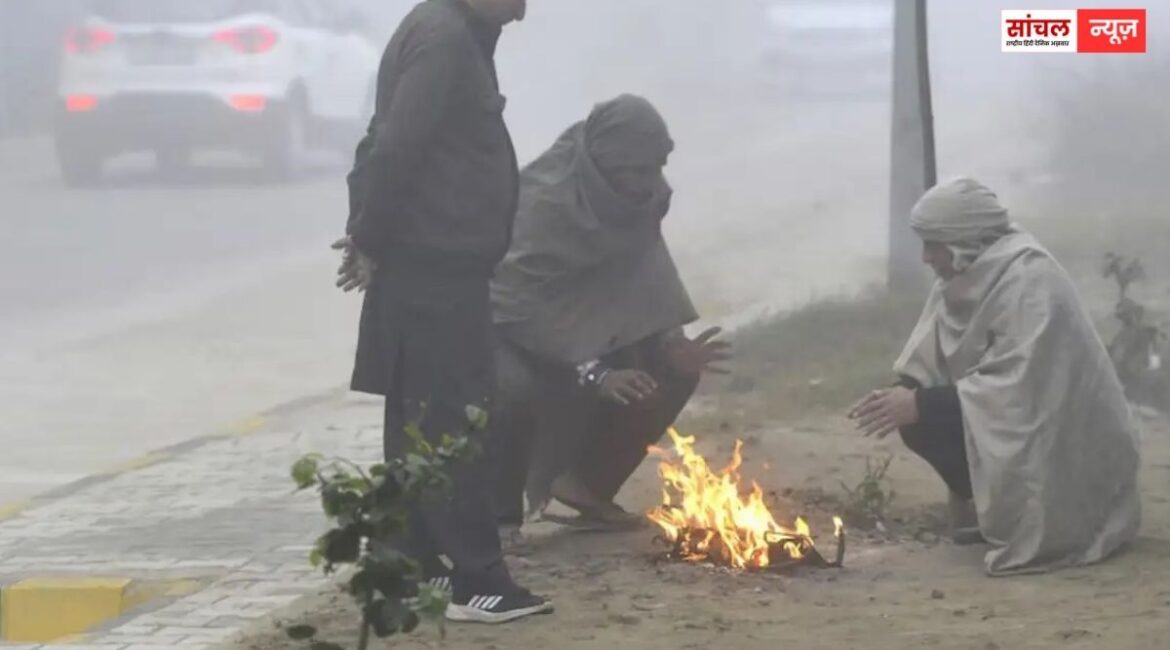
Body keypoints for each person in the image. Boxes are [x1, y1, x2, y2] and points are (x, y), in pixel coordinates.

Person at [332, 0, 553, 624]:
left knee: (421, 422)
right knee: (454, 424)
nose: (524, 6)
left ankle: (413, 568)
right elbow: (396, 144)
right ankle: (478, 582)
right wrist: (370, 239)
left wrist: (370, 236)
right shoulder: (443, 37)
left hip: (434, 266)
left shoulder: (457, 31)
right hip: (431, 268)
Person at [849, 177, 1141, 576]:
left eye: (932, 244)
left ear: (961, 240)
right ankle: (1002, 517)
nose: (925, 258)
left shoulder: (1030, 278)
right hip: (1014, 418)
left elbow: (1021, 390)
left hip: (1066, 443)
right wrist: (904, 392)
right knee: (920, 420)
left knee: (925, 411)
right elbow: (927, 355)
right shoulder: (961, 274)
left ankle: (1043, 523)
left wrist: (920, 404)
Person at [489, 95, 731, 534]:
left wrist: (668, 340)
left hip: (583, 334)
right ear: (600, 163)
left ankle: (585, 485)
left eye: (655, 168)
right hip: (506, 333)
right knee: (516, 392)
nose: (648, 183)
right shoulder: (542, 205)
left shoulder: (640, 199)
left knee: (669, 373)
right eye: (635, 171)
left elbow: (642, 272)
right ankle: (495, 516)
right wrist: (594, 373)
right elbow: (513, 304)